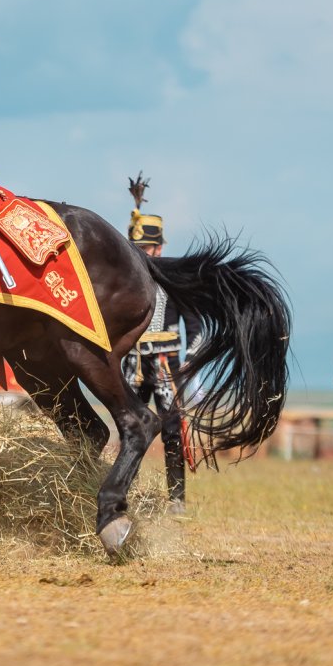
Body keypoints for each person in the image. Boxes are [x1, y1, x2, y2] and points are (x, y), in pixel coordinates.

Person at [120, 174, 201, 515]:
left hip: (166, 363)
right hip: (133, 363)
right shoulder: (121, 280)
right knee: (129, 428)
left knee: (171, 430)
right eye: (137, 248)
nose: (143, 254)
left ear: (160, 247)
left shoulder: (175, 277)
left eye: (148, 248)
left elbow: (195, 323)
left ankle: (177, 499)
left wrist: (193, 358)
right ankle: (126, 492)